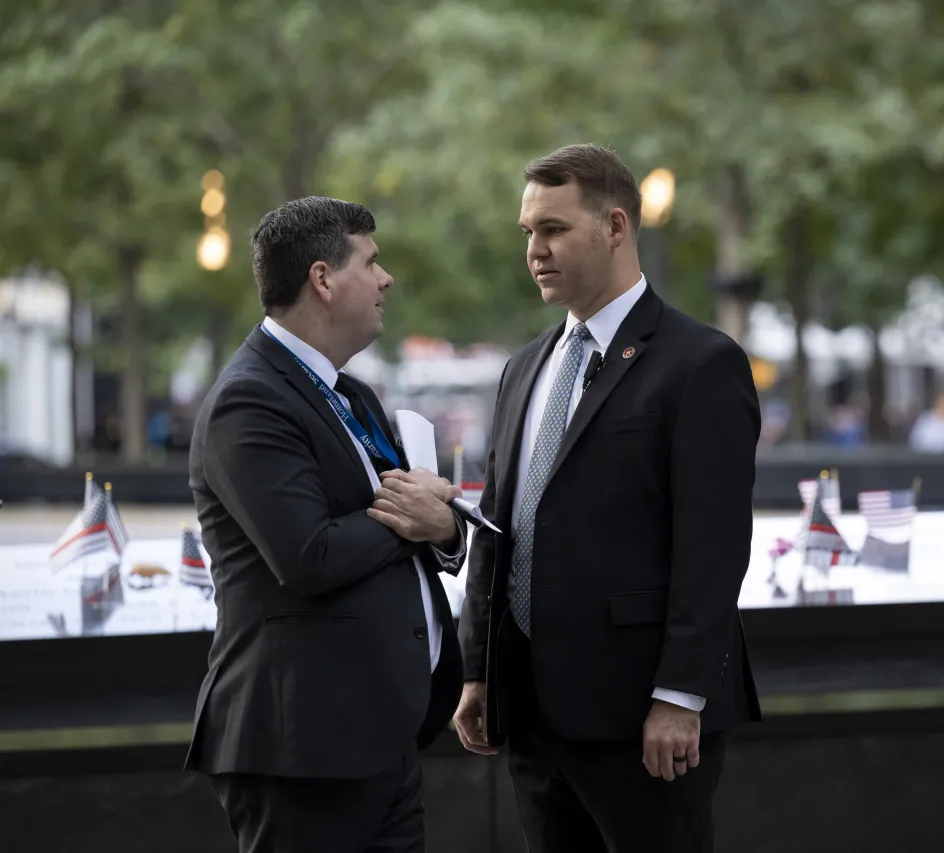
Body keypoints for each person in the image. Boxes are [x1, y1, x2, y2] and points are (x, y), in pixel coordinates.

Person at [455, 144, 762, 852]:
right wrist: (477, 667)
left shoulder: (701, 363)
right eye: (528, 232)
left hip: (645, 720)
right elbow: (497, 526)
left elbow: (712, 551)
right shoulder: (523, 368)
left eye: (554, 229)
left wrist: (680, 697)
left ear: (616, 227)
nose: (535, 249)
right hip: (530, 715)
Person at [186, 197, 468, 853]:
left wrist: (443, 525)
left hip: (382, 737)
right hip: (303, 750)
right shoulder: (248, 399)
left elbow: (414, 525)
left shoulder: (353, 394)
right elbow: (308, 553)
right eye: (371, 261)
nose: (386, 278)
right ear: (322, 278)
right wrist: (414, 519)